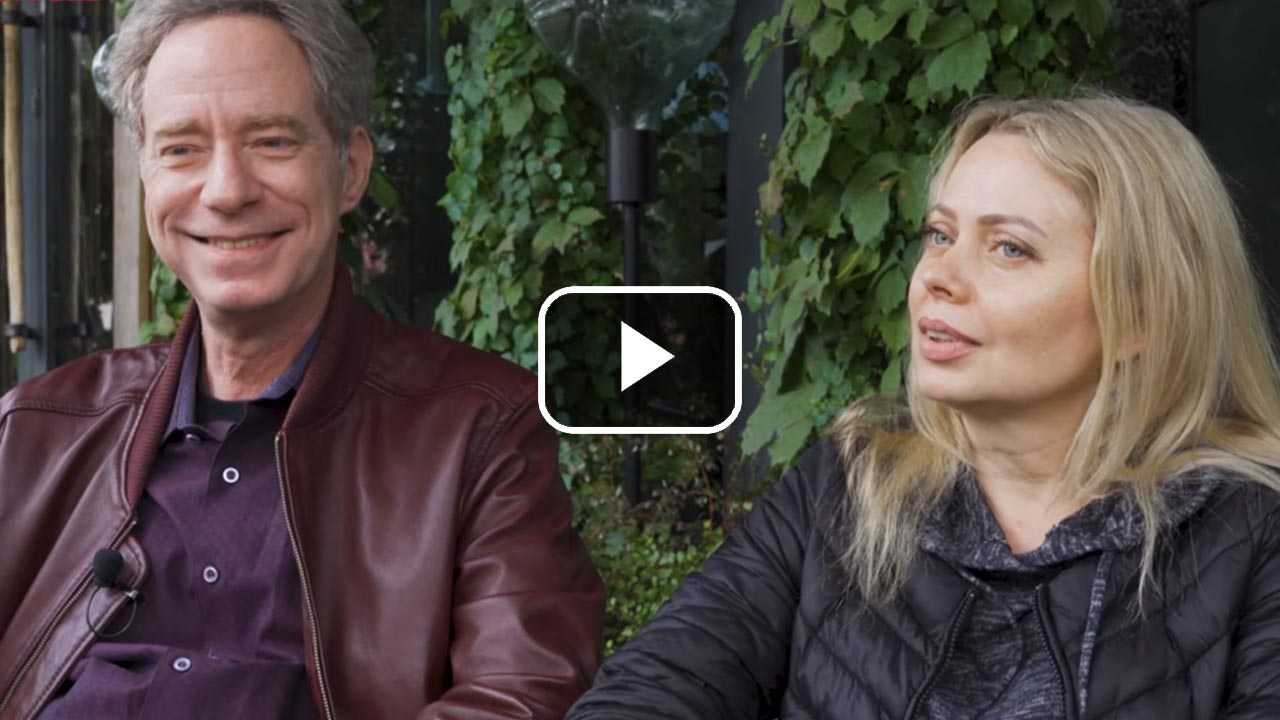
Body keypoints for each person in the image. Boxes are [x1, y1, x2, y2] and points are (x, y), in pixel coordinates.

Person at [567, 94, 1280, 719]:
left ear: (1141, 312)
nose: (939, 275)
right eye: (940, 234)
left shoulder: (1250, 535)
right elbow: (659, 682)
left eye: (1009, 248)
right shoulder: (850, 483)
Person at [0, 1, 603, 717]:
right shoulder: (36, 429)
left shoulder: (479, 429)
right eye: (182, 149)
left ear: (351, 170)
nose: (226, 190)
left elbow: (523, 694)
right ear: (146, 178)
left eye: (273, 141)